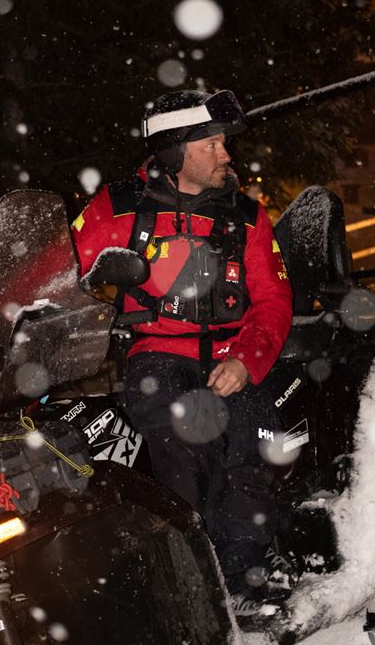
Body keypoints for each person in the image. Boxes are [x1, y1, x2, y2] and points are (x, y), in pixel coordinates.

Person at [72, 89, 293, 608]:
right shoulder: (117, 207)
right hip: (157, 354)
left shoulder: (249, 217)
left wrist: (246, 359)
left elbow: (275, 299)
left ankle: (240, 580)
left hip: (231, 354)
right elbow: (59, 270)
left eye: (223, 145)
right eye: (212, 145)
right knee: (182, 435)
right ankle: (185, 581)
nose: (226, 155)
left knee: (252, 437)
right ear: (174, 151)